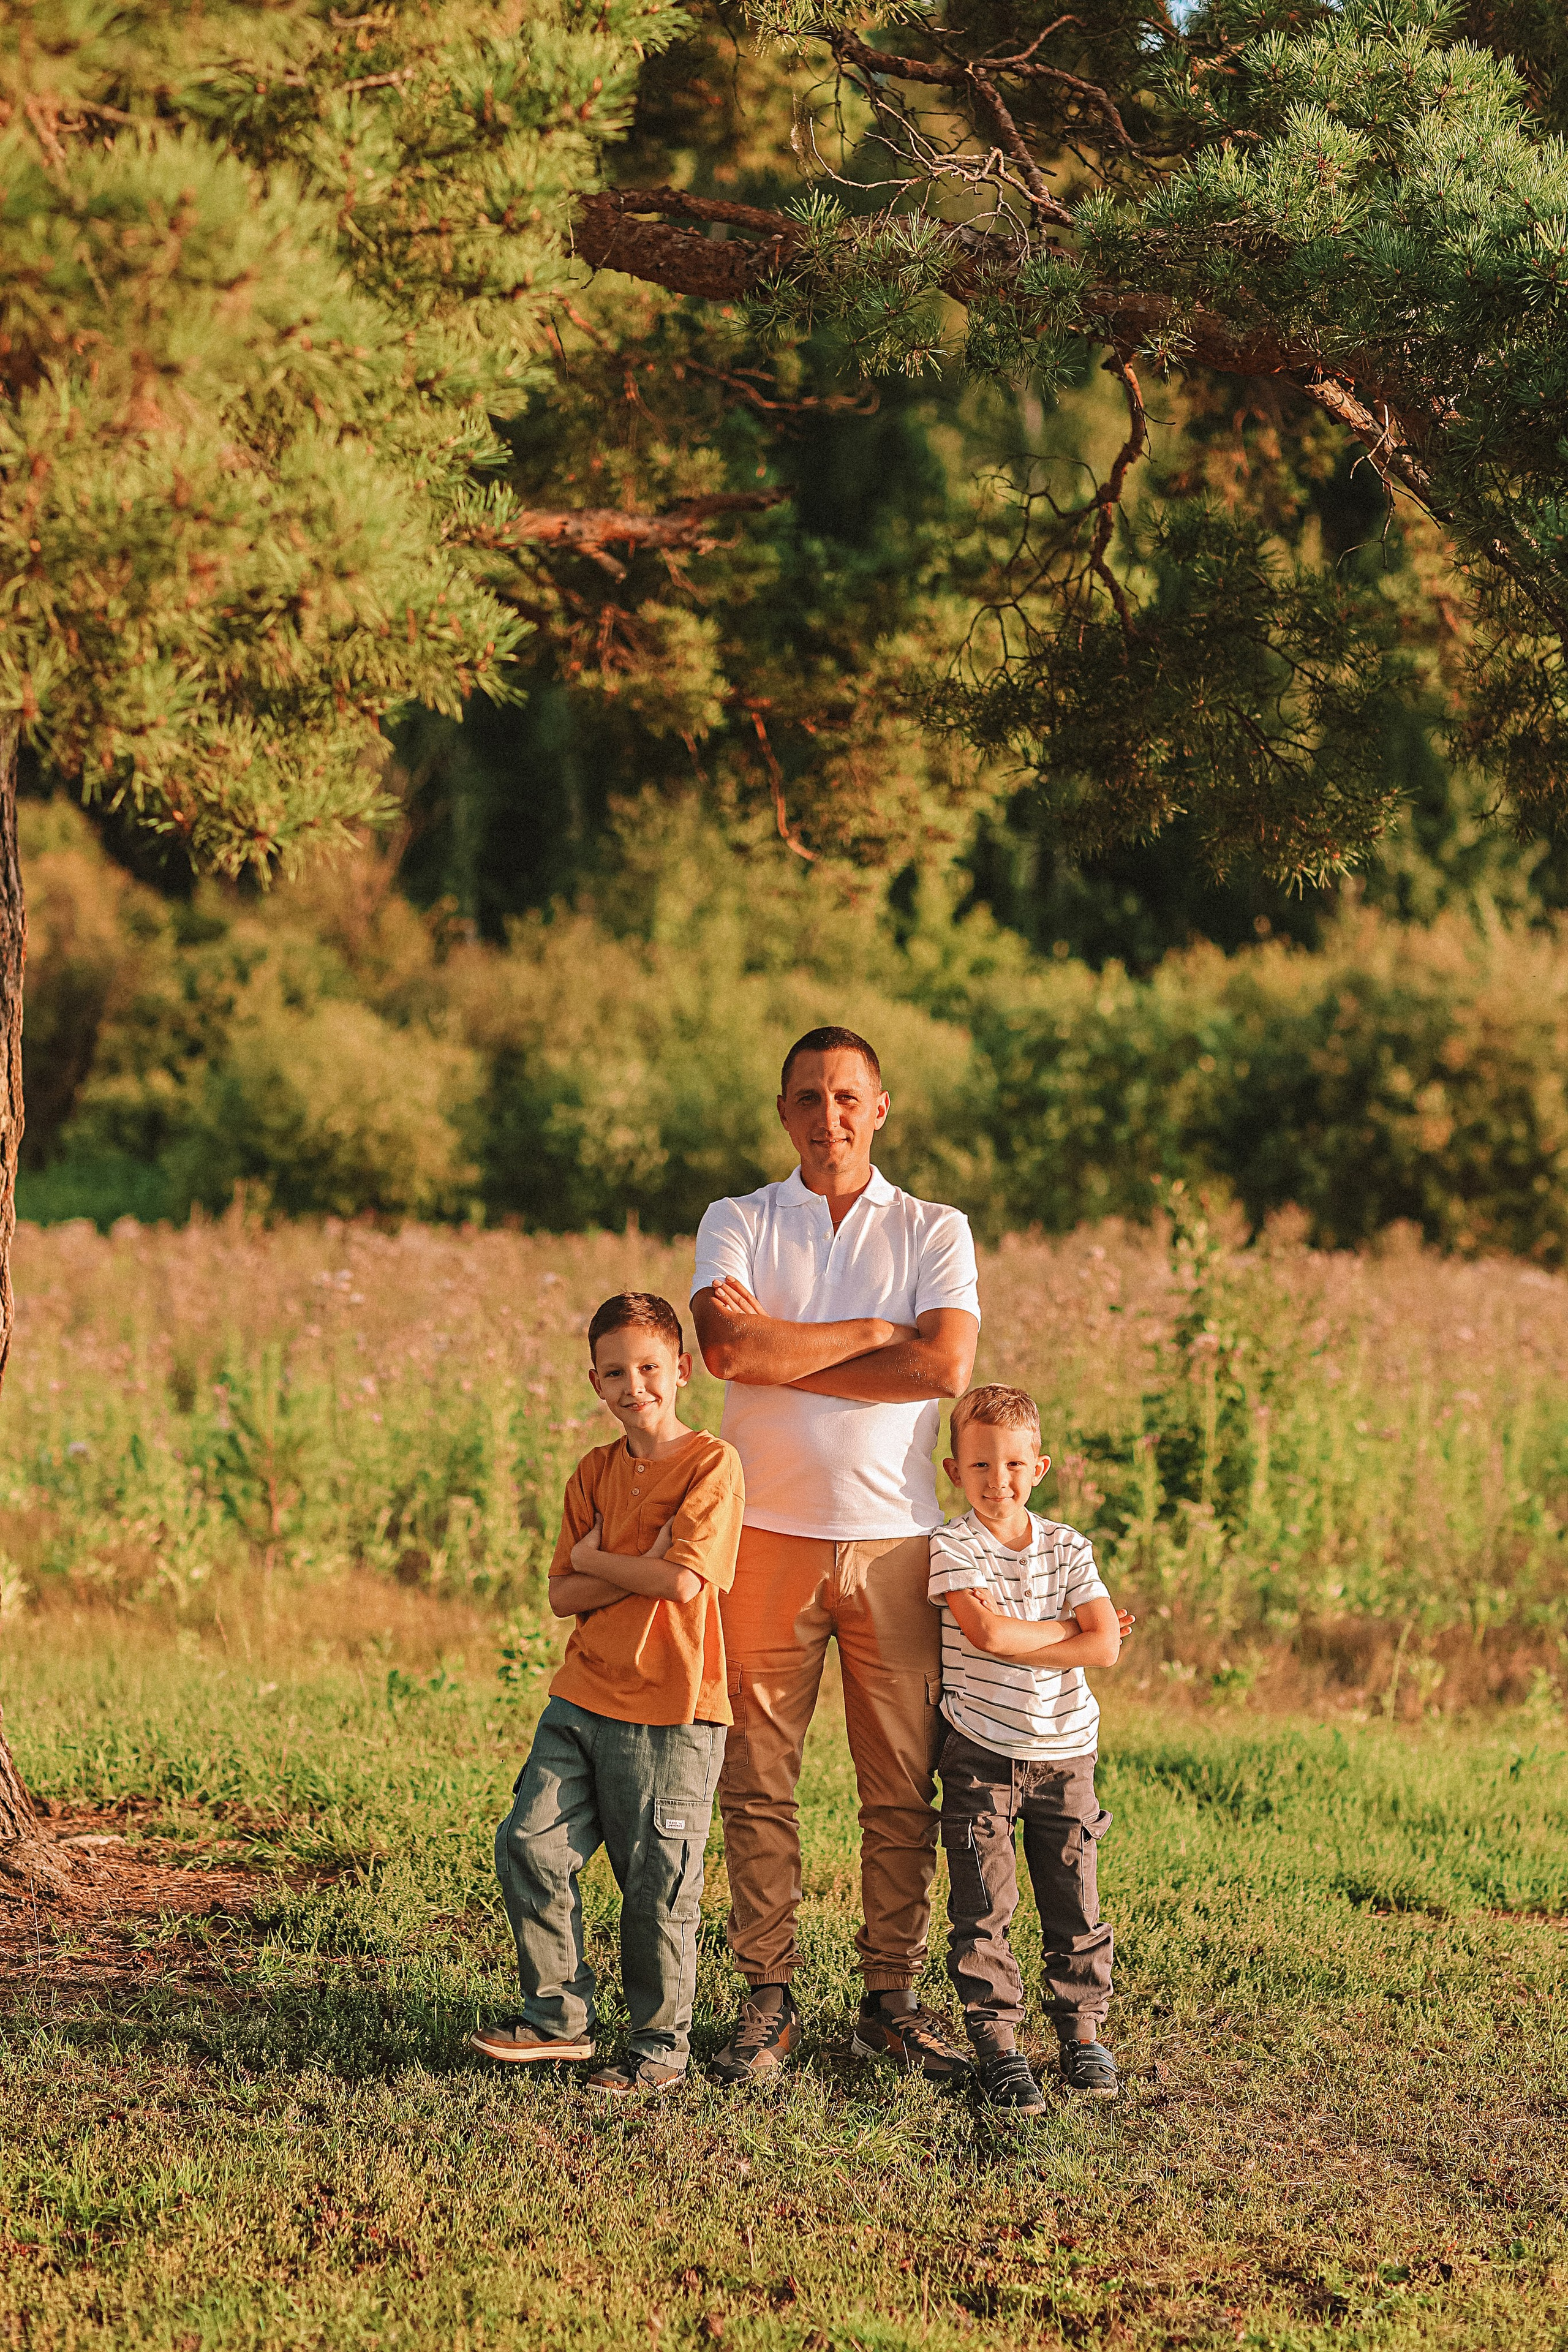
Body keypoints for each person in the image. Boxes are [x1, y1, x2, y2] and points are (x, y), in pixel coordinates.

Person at [690, 1026, 981, 2085]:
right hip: (764, 1536)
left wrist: (788, 1351)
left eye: (848, 1097)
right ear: (785, 1112)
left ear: (880, 1109)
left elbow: (944, 1368)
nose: (829, 1116)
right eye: (809, 1097)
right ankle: (767, 1998)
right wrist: (870, 1331)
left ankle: (889, 2002)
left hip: (896, 1543)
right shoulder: (738, 1219)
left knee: (899, 1788)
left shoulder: (935, 1228)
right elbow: (728, 1350)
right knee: (758, 1779)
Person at [472, 1292, 743, 2097]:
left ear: (682, 1370)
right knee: (529, 1844)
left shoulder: (712, 1465)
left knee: (656, 1890)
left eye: (650, 1368)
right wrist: (635, 1567)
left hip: (673, 1711)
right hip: (583, 1697)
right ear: (595, 1381)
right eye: (616, 1373)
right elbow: (562, 1594)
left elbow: (684, 1582)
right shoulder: (592, 1472)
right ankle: (558, 2021)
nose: (635, 1387)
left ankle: (659, 2051)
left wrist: (601, 1561)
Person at [929, 1383, 1133, 2114]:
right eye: (980, 1465)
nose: (998, 1481)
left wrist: (1060, 1635)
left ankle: (1081, 2034)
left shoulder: (1067, 1547)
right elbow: (986, 1635)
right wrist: (1070, 1630)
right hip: (980, 1753)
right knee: (984, 1903)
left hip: (1066, 1754)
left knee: (1074, 1898)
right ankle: (998, 2047)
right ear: (955, 1470)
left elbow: (1105, 1649)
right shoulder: (953, 1546)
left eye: (1014, 1465)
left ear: (1039, 1468)